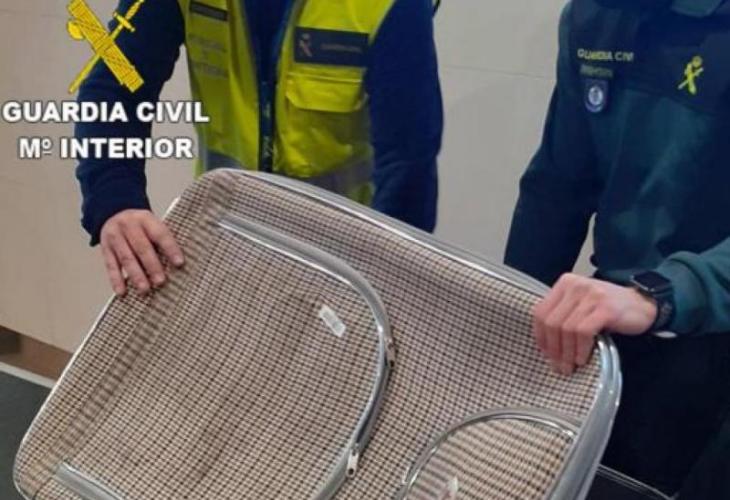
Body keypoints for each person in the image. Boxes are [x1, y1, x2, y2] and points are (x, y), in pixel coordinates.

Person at [504, 0, 730, 497]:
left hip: (706, 325)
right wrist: (511, 314)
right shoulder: (594, 17)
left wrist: (660, 295)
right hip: (620, 322)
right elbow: (557, 189)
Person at [76, 0, 442, 296]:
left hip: (346, 263)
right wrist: (115, 199)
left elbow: (409, 160)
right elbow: (112, 87)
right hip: (225, 246)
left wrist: (388, 283)